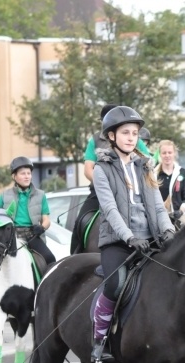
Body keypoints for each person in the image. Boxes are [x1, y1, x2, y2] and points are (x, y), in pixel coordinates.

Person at [90, 106, 175, 363]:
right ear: (112, 136)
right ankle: (100, 339)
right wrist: (129, 238)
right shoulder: (101, 169)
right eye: (125, 132)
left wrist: (169, 230)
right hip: (118, 242)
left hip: (149, 238)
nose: (131, 137)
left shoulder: (146, 166)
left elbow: (158, 206)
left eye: (135, 133)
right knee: (116, 285)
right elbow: (110, 210)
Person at [0, 157, 56, 325]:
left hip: (31, 235)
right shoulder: (5, 196)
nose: (27, 176)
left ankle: (45, 302)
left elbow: (47, 220)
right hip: (9, 237)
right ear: (14, 176)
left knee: (50, 259)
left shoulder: (41, 195)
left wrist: (42, 227)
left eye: (29, 173)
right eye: (23, 173)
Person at [71, 103, 151, 254]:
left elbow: (147, 163)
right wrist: (105, 185)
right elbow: (88, 169)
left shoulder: (135, 139)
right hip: (100, 190)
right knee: (81, 220)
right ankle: (76, 253)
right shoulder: (94, 140)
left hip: (132, 189)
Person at [155, 140, 185, 224]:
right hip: (159, 216)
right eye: (164, 153)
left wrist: (181, 211)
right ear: (160, 154)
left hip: (180, 215)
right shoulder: (154, 174)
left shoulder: (182, 173)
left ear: (174, 153)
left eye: (170, 152)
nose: (167, 155)